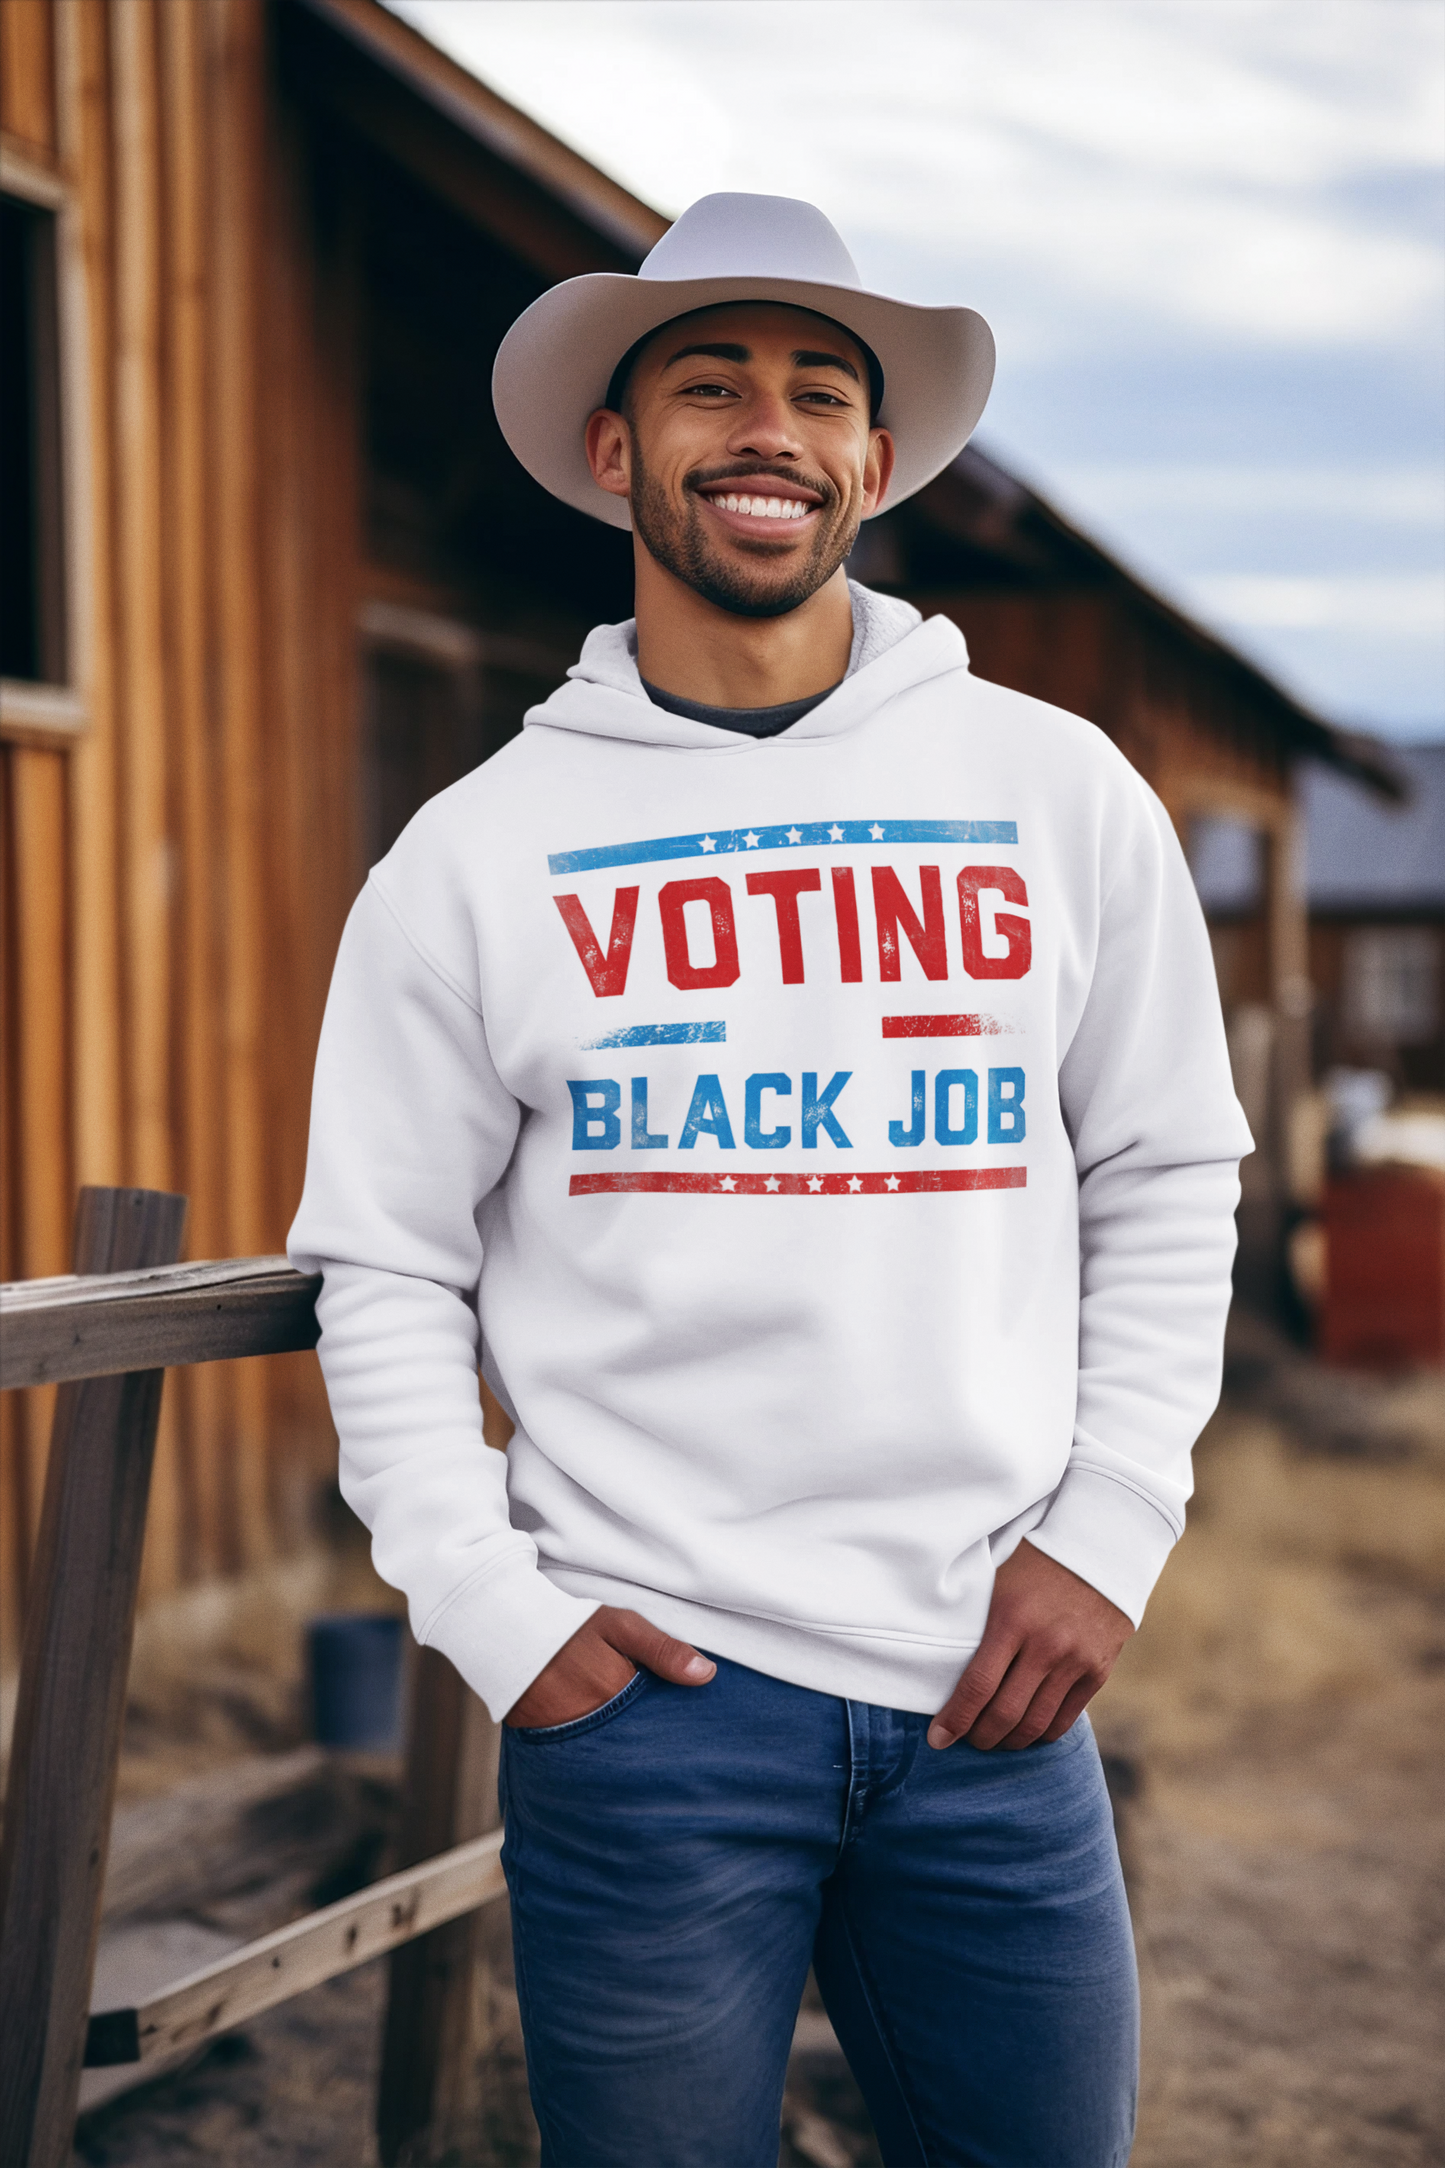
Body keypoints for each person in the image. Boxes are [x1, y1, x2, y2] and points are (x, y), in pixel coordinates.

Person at [289, 193, 1251, 2168]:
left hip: (998, 1690)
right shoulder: (476, 857)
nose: (768, 427)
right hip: (647, 1712)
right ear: (612, 449)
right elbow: (379, 1263)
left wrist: (1107, 1536)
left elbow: (1164, 1170)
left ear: (873, 465)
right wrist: (484, 1603)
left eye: (819, 391)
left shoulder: (1052, 792)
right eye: (707, 383)